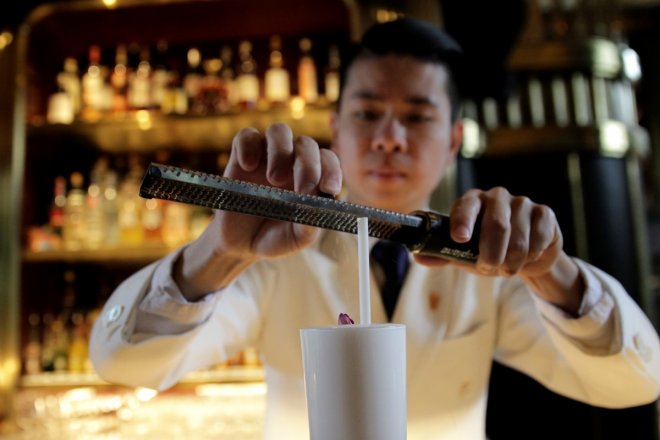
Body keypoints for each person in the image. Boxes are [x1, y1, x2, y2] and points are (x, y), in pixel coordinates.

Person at [89, 17, 660, 440]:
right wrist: (219, 250)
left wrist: (551, 270)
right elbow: (125, 361)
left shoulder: (489, 260)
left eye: (417, 115)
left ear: (454, 141)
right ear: (336, 126)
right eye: (367, 113)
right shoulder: (274, 254)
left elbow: (637, 381)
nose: (390, 136)